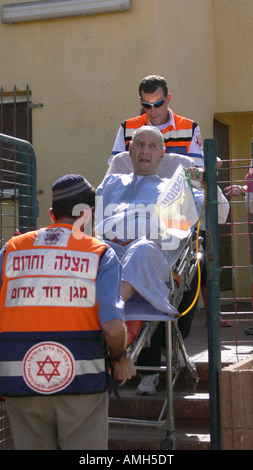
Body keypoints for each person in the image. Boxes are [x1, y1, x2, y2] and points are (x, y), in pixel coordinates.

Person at [0, 173, 136, 450]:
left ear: (52, 214)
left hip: (19, 379)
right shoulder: (100, 253)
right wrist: (120, 357)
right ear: (87, 214)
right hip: (82, 381)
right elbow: (111, 326)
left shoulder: (11, 250)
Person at [96, 126, 229, 395]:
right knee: (99, 250)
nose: (145, 150)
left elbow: (219, 213)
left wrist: (204, 180)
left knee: (142, 248)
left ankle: (107, 311)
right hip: (112, 258)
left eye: (153, 146)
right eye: (139, 144)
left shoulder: (174, 187)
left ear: (162, 155)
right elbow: (93, 226)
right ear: (130, 150)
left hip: (152, 263)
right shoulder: (111, 184)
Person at [109, 74, 204, 167]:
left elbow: (196, 170)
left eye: (158, 103)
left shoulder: (190, 128)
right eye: (147, 105)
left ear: (168, 99)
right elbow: (116, 169)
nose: (153, 111)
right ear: (141, 102)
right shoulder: (126, 127)